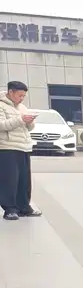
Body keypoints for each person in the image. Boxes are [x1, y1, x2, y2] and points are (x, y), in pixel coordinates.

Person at [0, 80, 41, 221]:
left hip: (23, 147)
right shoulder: (1, 105)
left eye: (24, 96)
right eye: (20, 95)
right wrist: (21, 119)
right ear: (10, 92)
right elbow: (1, 125)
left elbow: (29, 128)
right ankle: (10, 209)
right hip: (7, 147)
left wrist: (30, 121)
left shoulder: (22, 107)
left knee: (24, 180)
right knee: (9, 180)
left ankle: (24, 207)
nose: (22, 98)